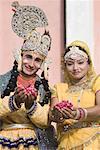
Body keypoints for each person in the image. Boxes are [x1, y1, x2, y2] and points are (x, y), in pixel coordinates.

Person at [0, 1, 57, 150]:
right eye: (28, 57)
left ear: (43, 63)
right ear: (20, 56)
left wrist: (31, 106)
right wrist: (14, 102)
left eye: (37, 60)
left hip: (34, 143)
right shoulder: (3, 81)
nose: (31, 64)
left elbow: (46, 121)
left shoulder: (45, 88)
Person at [50, 40, 100, 150]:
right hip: (66, 143)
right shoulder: (59, 88)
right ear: (64, 66)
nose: (75, 68)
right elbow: (52, 114)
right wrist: (59, 114)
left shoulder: (97, 81)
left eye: (80, 62)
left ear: (89, 63)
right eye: (70, 64)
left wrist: (77, 114)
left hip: (93, 142)